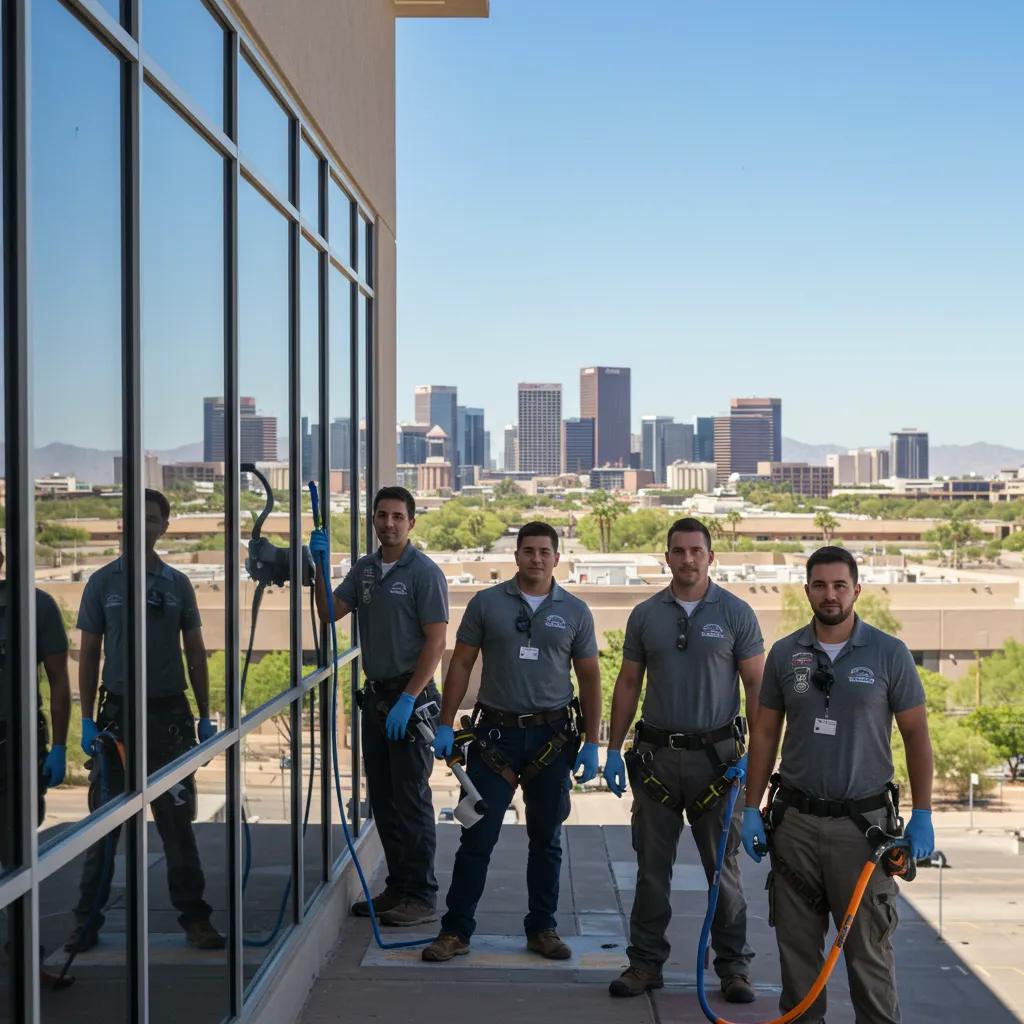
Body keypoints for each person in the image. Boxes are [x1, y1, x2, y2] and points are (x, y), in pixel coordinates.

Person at [742, 545, 934, 1024]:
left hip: (863, 830)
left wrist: (925, 813)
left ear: (856, 590)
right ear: (807, 589)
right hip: (796, 825)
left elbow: (916, 734)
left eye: (839, 585)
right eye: (820, 585)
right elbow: (766, 732)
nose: (830, 595)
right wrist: (750, 807)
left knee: (867, 954)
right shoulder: (786, 654)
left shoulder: (889, 654)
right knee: (797, 954)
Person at [421, 521, 601, 963]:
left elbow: (591, 678)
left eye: (544, 551)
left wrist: (595, 741)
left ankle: (543, 928)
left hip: (551, 740)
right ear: (516, 555)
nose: (536, 558)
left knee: (547, 838)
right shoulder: (487, 604)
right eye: (528, 551)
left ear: (557, 558)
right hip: (494, 737)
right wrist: (446, 722)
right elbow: (460, 664)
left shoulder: (575, 611)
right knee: (476, 837)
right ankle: (455, 931)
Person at [602, 517, 764, 1001]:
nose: (688, 558)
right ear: (667, 557)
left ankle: (733, 968)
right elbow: (628, 682)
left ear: (710, 557)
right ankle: (645, 963)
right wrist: (612, 748)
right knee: (652, 870)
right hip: (656, 761)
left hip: (718, 763)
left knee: (723, 872)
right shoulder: (646, 615)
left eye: (696, 550)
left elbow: (756, 686)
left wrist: (757, 756)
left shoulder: (736, 614)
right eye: (679, 550)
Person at [65, 489, 224, 953]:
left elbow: (195, 651)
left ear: (165, 527)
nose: (144, 526)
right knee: (104, 828)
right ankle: (85, 924)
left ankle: (196, 919)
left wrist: (204, 712)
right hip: (117, 718)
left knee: (177, 827)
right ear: (123, 525)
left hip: (169, 716)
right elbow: (90, 651)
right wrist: (88, 720)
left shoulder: (176, 584)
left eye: (153, 519)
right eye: (136, 519)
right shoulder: (102, 583)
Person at [312, 485, 448, 927]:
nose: (388, 523)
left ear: (411, 522)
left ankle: (422, 895)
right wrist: (318, 565)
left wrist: (409, 698)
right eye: (381, 515)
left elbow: (436, 641)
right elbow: (330, 611)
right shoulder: (366, 570)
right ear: (373, 520)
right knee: (384, 800)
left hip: (411, 701)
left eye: (397, 516)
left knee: (411, 799)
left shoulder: (424, 573)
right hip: (377, 699)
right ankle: (399, 886)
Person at [0, 536, 72, 842]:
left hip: (16, 743)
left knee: (15, 843)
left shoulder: (35, 606)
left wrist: (58, 746)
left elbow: (59, 681)